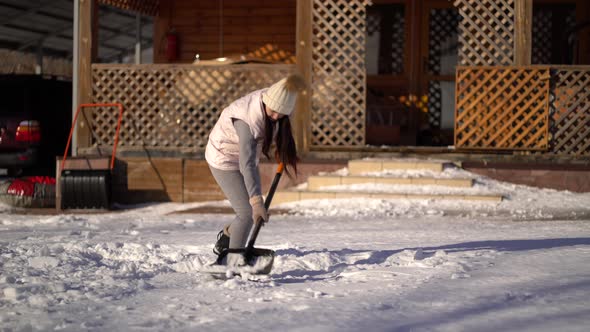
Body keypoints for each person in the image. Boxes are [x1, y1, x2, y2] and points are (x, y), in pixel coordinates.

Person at [205, 74, 305, 266]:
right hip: (223, 157)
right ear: (268, 101)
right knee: (247, 212)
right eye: (274, 111)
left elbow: (258, 152)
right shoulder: (247, 120)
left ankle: (227, 237)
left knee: (249, 212)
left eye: (281, 114)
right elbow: (247, 164)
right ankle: (232, 262)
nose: (276, 117)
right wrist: (257, 201)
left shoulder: (273, 106)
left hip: (243, 158)